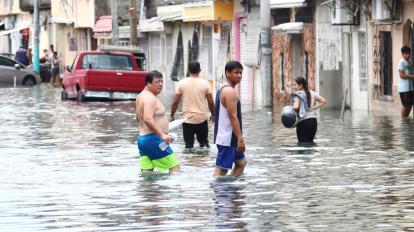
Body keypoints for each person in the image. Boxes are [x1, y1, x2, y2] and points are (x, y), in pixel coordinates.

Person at [136, 71, 180, 173]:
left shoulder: (141, 96)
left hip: (143, 140)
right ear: (148, 83)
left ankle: (150, 189)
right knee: (174, 167)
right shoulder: (149, 98)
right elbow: (147, 118)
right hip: (153, 140)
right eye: (157, 82)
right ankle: (170, 189)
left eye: (161, 81)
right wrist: (163, 135)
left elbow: (139, 118)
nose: (160, 84)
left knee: (147, 174)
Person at [170, 61, 215, 149]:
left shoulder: (181, 83)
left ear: (188, 70)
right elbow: (211, 102)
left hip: (187, 120)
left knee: (188, 146)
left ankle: (189, 162)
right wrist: (213, 115)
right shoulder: (205, 83)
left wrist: (172, 115)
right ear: (200, 70)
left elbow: (175, 102)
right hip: (201, 119)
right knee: (204, 145)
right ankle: (203, 162)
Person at [213, 61, 247, 177]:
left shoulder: (222, 88)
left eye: (241, 73)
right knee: (221, 170)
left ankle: (232, 191)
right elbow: (233, 117)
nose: (239, 75)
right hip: (227, 138)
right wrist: (240, 139)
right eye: (236, 73)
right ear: (227, 73)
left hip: (229, 137)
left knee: (241, 163)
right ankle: (219, 193)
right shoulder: (229, 91)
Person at [292, 76, 326, 144]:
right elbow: (323, 101)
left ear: (301, 85)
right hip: (313, 121)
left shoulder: (298, 94)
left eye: (295, 85)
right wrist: (314, 108)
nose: (293, 86)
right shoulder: (312, 93)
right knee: (310, 143)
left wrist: (289, 108)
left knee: (302, 144)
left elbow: (295, 107)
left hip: (303, 122)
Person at [397, 46, 414, 117]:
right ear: (403, 54)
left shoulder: (409, 62)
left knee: (410, 104)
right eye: (406, 53)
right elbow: (401, 75)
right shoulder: (401, 62)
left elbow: (412, 73)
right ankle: (403, 121)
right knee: (406, 105)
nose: (409, 55)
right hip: (404, 89)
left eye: (409, 53)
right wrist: (412, 76)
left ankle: (406, 121)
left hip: (410, 88)